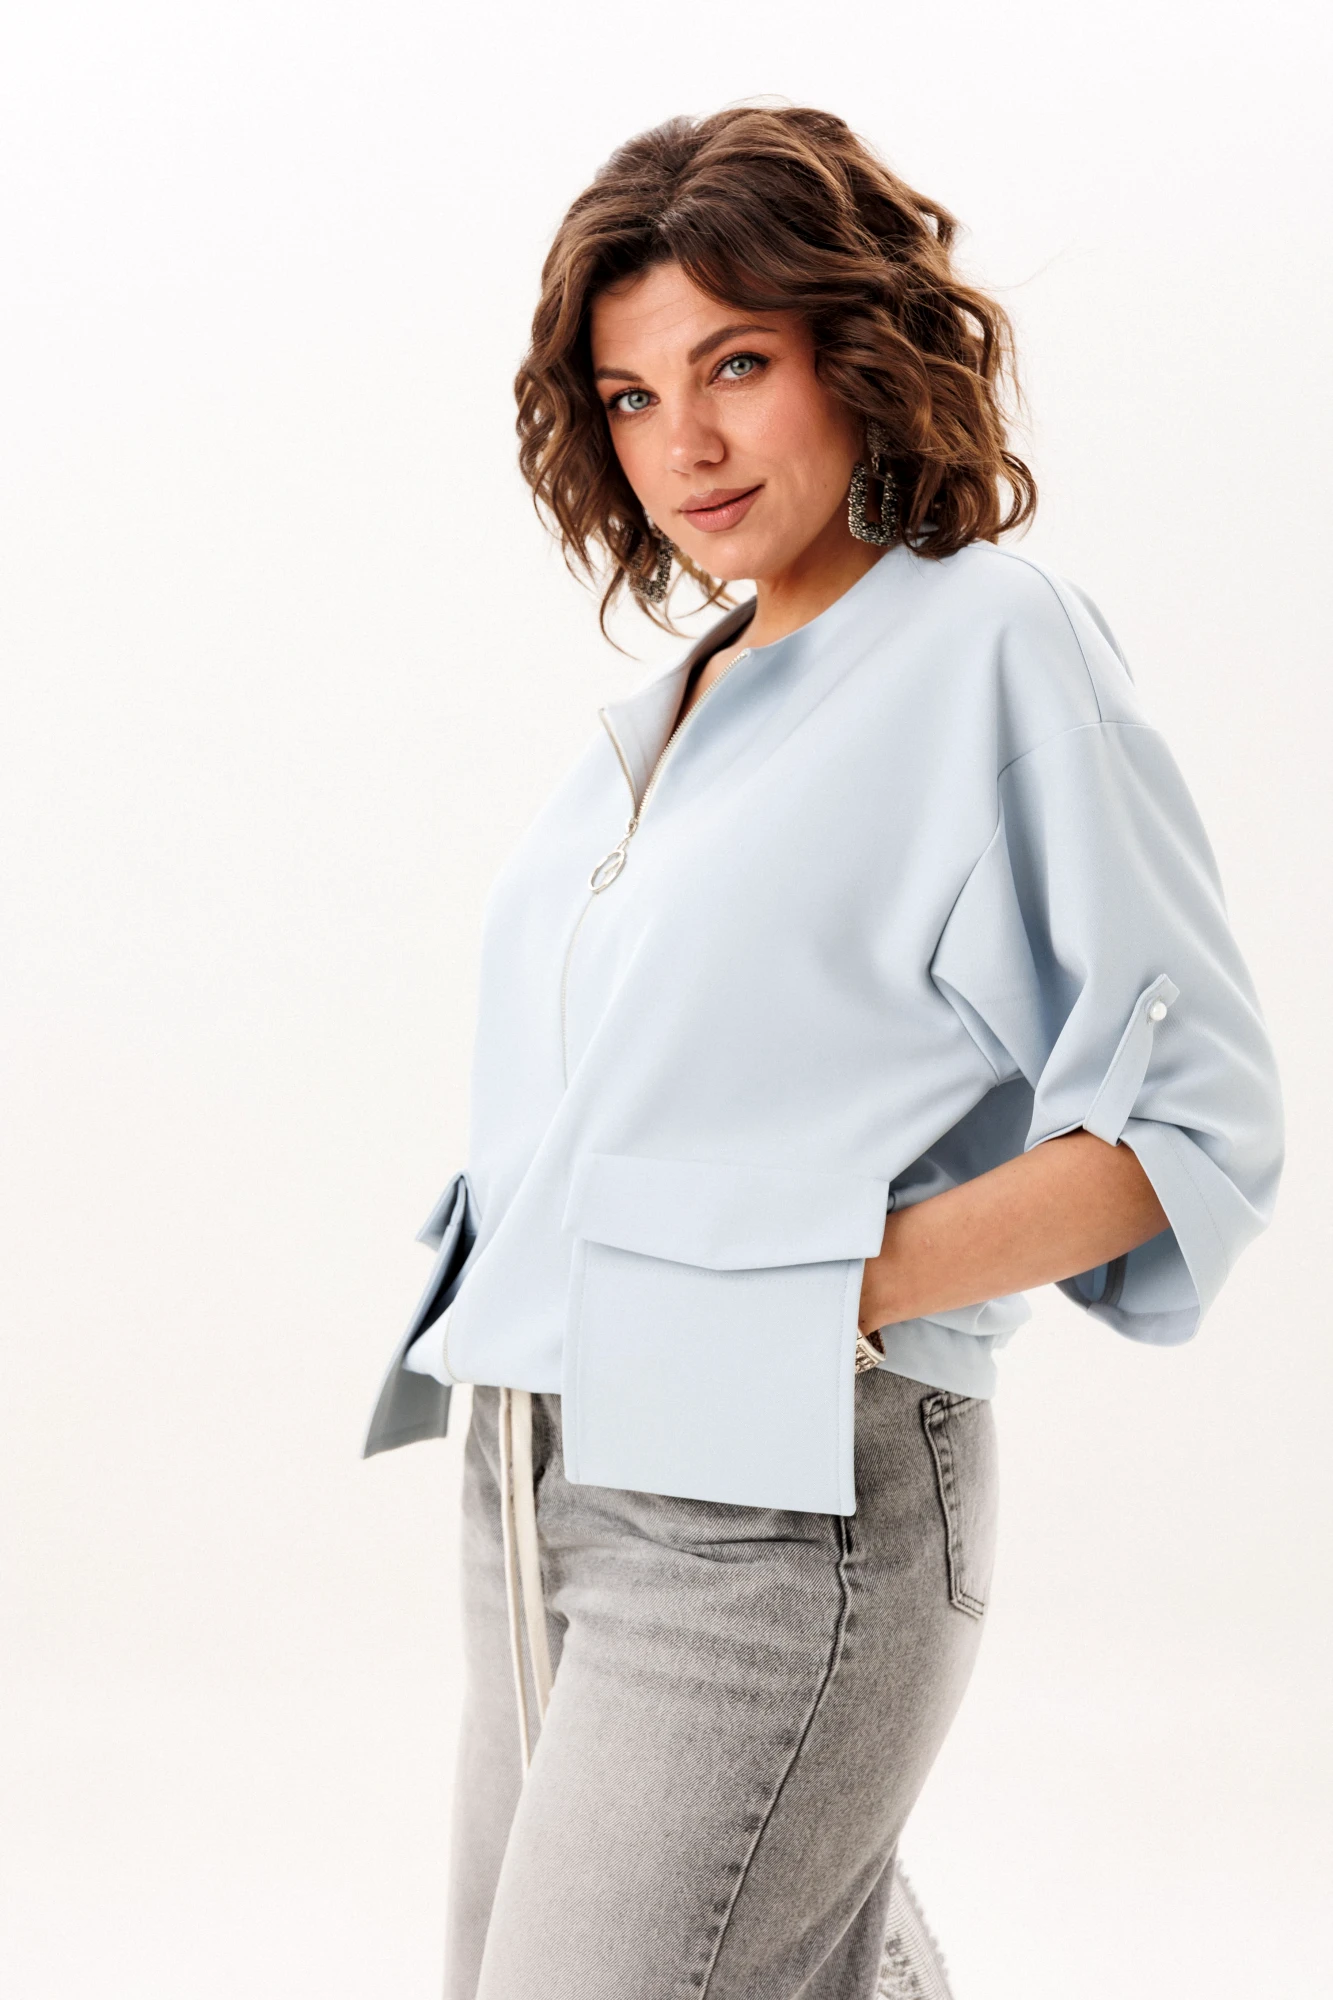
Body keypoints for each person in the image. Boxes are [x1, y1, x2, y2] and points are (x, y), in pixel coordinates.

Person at [363, 105, 1284, 2000]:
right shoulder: (684, 700)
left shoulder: (992, 645)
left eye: (735, 368)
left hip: (779, 1512)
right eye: (630, 397)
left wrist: (822, 1291)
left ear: (855, 352)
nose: (683, 445)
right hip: (529, 1485)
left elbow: (1193, 1124)